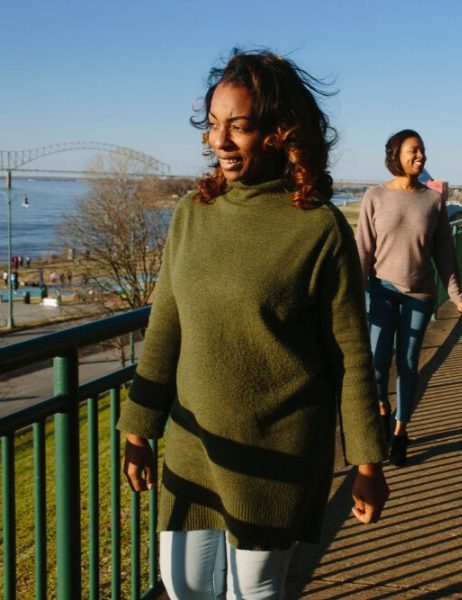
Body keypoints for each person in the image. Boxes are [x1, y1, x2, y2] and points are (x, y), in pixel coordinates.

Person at [117, 49, 389, 600]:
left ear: (279, 133)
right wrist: (136, 427)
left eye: (237, 126)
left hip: (278, 452)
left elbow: (352, 357)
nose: (218, 141)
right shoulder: (192, 213)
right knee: (184, 585)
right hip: (194, 444)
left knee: (255, 593)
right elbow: (165, 325)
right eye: (213, 125)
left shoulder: (318, 227)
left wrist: (367, 462)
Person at [356, 129, 462, 467]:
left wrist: (456, 294)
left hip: (419, 296)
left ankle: (400, 431)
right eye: (413, 151)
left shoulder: (432, 201)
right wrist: (351, 295)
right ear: (395, 155)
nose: (420, 156)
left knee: (407, 363)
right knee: (377, 364)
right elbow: (363, 250)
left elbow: (445, 255)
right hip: (380, 292)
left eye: (422, 151)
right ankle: (381, 408)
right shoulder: (374, 196)